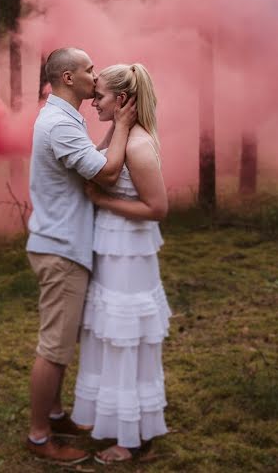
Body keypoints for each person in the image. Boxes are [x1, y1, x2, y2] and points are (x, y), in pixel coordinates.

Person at [25, 47, 138, 464]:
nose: (95, 75)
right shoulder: (59, 124)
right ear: (69, 78)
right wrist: (124, 124)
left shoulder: (65, 118)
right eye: (90, 69)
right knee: (54, 347)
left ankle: (54, 416)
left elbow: (94, 158)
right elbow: (107, 173)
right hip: (61, 250)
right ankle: (39, 438)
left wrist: (112, 134)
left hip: (60, 245)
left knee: (62, 339)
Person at [72, 63, 171, 465]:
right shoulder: (123, 136)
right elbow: (99, 161)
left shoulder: (138, 146)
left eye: (100, 97)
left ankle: (132, 440)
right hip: (113, 251)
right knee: (111, 339)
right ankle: (123, 424)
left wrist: (102, 202)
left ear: (123, 100)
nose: (94, 103)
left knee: (126, 341)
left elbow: (157, 208)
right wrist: (118, 126)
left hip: (130, 256)